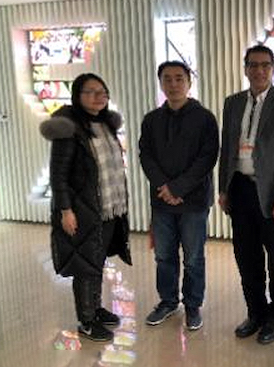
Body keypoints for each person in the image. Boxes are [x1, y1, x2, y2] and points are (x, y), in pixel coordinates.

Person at [219, 45, 274, 344]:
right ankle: (256, 312)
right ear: (245, 68)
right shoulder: (232, 103)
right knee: (247, 257)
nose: (258, 70)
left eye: (265, 65)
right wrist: (223, 188)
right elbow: (227, 147)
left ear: (273, 69)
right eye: (253, 65)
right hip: (240, 189)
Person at [39, 73, 132, 342]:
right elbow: (58, 175)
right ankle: (87, 321)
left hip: (106, 208)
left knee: (96, 262)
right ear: (78, 96)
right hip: (82, 210)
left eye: (102, 92)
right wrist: (65, 211)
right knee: (85, 266)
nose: (98, 97)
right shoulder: (69, 129)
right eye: (90, 92)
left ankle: (96, 308)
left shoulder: (104, 124)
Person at [139, 61, 219, 331]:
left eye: (179, 78)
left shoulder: (205, 118)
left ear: (189, 82)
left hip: (193, 202)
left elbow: (207, 158)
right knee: (164, 255)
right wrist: (164, 186)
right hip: (161, 201)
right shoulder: (151, 120)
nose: (173, 84)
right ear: (160, 82)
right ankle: (168, 301)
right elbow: (145, 155)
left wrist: (179, 188)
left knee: (194, 256)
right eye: (167, 79)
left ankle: (193, 304)